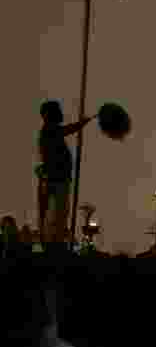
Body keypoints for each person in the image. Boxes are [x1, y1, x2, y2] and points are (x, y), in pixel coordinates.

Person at [37, 101, 94, 247]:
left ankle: (54, 242)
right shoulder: (49, 129)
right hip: (56, 179)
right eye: (57, 111)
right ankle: (53, 245)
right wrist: (82, 123)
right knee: (57, 215)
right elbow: (67, 130)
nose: (61, 114)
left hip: (57, 178)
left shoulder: (49, 131)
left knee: (57, 215)